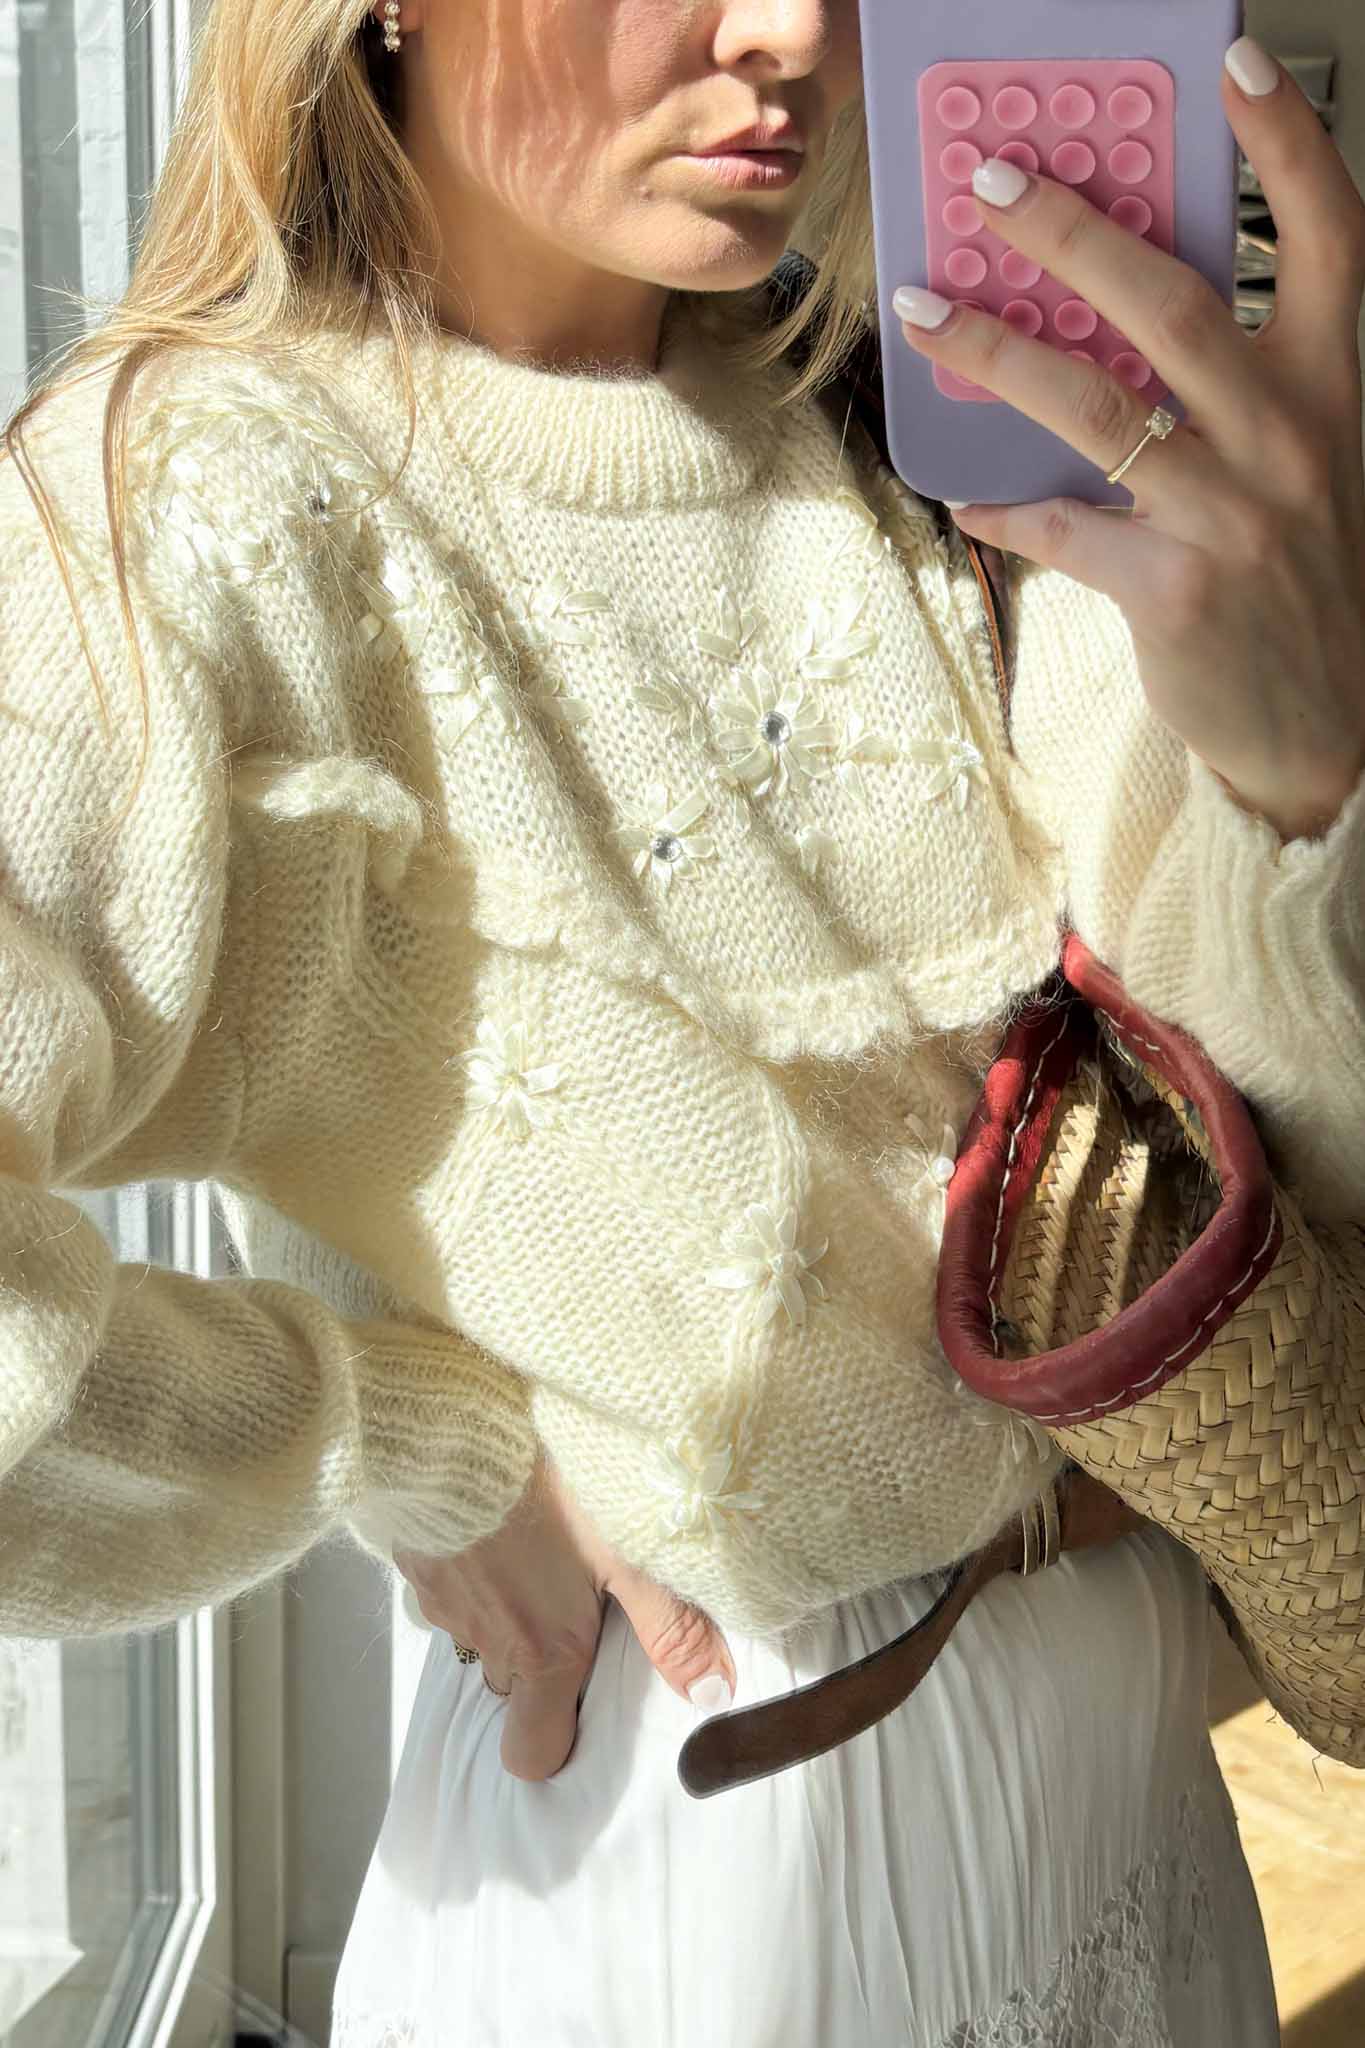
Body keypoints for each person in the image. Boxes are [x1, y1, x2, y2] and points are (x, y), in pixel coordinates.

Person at [3, 0, 1364, 2035]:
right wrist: (396, 1445)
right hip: (724, 1861)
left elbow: (1266, 1139)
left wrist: (1296, 766)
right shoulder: (194, 504)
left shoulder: (883, 411)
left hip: (1128, 1797)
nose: (787, 30)